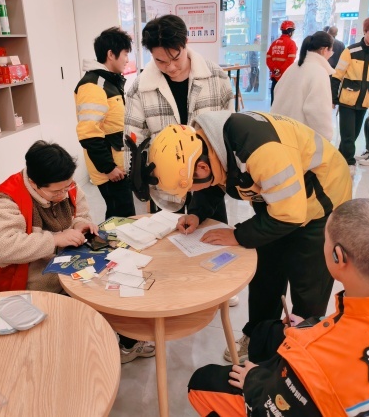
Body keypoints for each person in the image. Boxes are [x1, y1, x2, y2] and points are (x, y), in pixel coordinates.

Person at [187, 198, 369, 417]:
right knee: (266, 333)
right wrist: (314, 327)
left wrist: (254, 381)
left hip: (321, 394)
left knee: (202, 382)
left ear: (338, 256)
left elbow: (274, 407)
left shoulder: (313, 358)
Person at [143, 111, 352, 362]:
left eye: (189, 188)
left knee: (308, 283)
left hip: (322, 201)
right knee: (265, 273)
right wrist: (197, 213)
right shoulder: (208, 145)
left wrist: (239, 235)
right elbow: (215, 182)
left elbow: (289, 215)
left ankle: (302, 348)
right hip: (278, 200)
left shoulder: (261, 151)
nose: (191, 191)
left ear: (202, 168)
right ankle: (259, 336)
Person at [0, 141, 154, 363]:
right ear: (34, 183)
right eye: (56, 191)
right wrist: (55, 239)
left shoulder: (65, 184)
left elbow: (80, 213)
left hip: (67, 264)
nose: (64, 194)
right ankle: (87, 355)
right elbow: (1, 247)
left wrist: (80, 224)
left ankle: (126, 343)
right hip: (33, 279)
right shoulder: (6, 199)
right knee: (101, 293)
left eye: (68, 187)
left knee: (121, 276)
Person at [124, 13, 234, 272]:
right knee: (171, 254)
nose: (170, 67)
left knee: (213, 247)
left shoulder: (215, 77)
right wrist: (137, 171)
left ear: (186, 42)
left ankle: (217, 287)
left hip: (208, 180)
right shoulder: (141, 87)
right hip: (166, 183)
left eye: (175, 57)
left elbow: (229, 130)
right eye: (160, 61)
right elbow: (133, 138)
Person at [75, 27, 135, 220]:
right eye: (125, 54)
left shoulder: (109, 82)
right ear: (111, 54)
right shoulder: (93, 85)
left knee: (122, 215)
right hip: (110, 170)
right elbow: (89, 134)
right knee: (121, 217)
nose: (127, 59)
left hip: (118, 166)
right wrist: (108, 168)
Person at [331, 17, 369, 175]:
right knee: (348, 135)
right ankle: (349, 162)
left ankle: (340, 158)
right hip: (347, 100)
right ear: (365, 31)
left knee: (354, 134)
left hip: (365, 101)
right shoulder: (350, 51)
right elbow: (337, 75)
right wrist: (333, 98)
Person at [271, 31, 335, 140]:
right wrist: (326, 137)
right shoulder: (319, 72)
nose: (331, 54)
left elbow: (277, 90)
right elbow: (318, 111)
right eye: (331, 51)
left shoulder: (293, 67)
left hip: (280, 131)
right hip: (299, 137)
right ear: (324, 50)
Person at [266, 20, 297, 105]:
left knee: (274, 102)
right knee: (284, 104)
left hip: (275, 77)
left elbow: (268, 59)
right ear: (290, 31)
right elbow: (290, 61)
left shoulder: (274, 43)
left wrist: (275, 70)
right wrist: (280, 71)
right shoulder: (291, 43)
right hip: (285, 77)